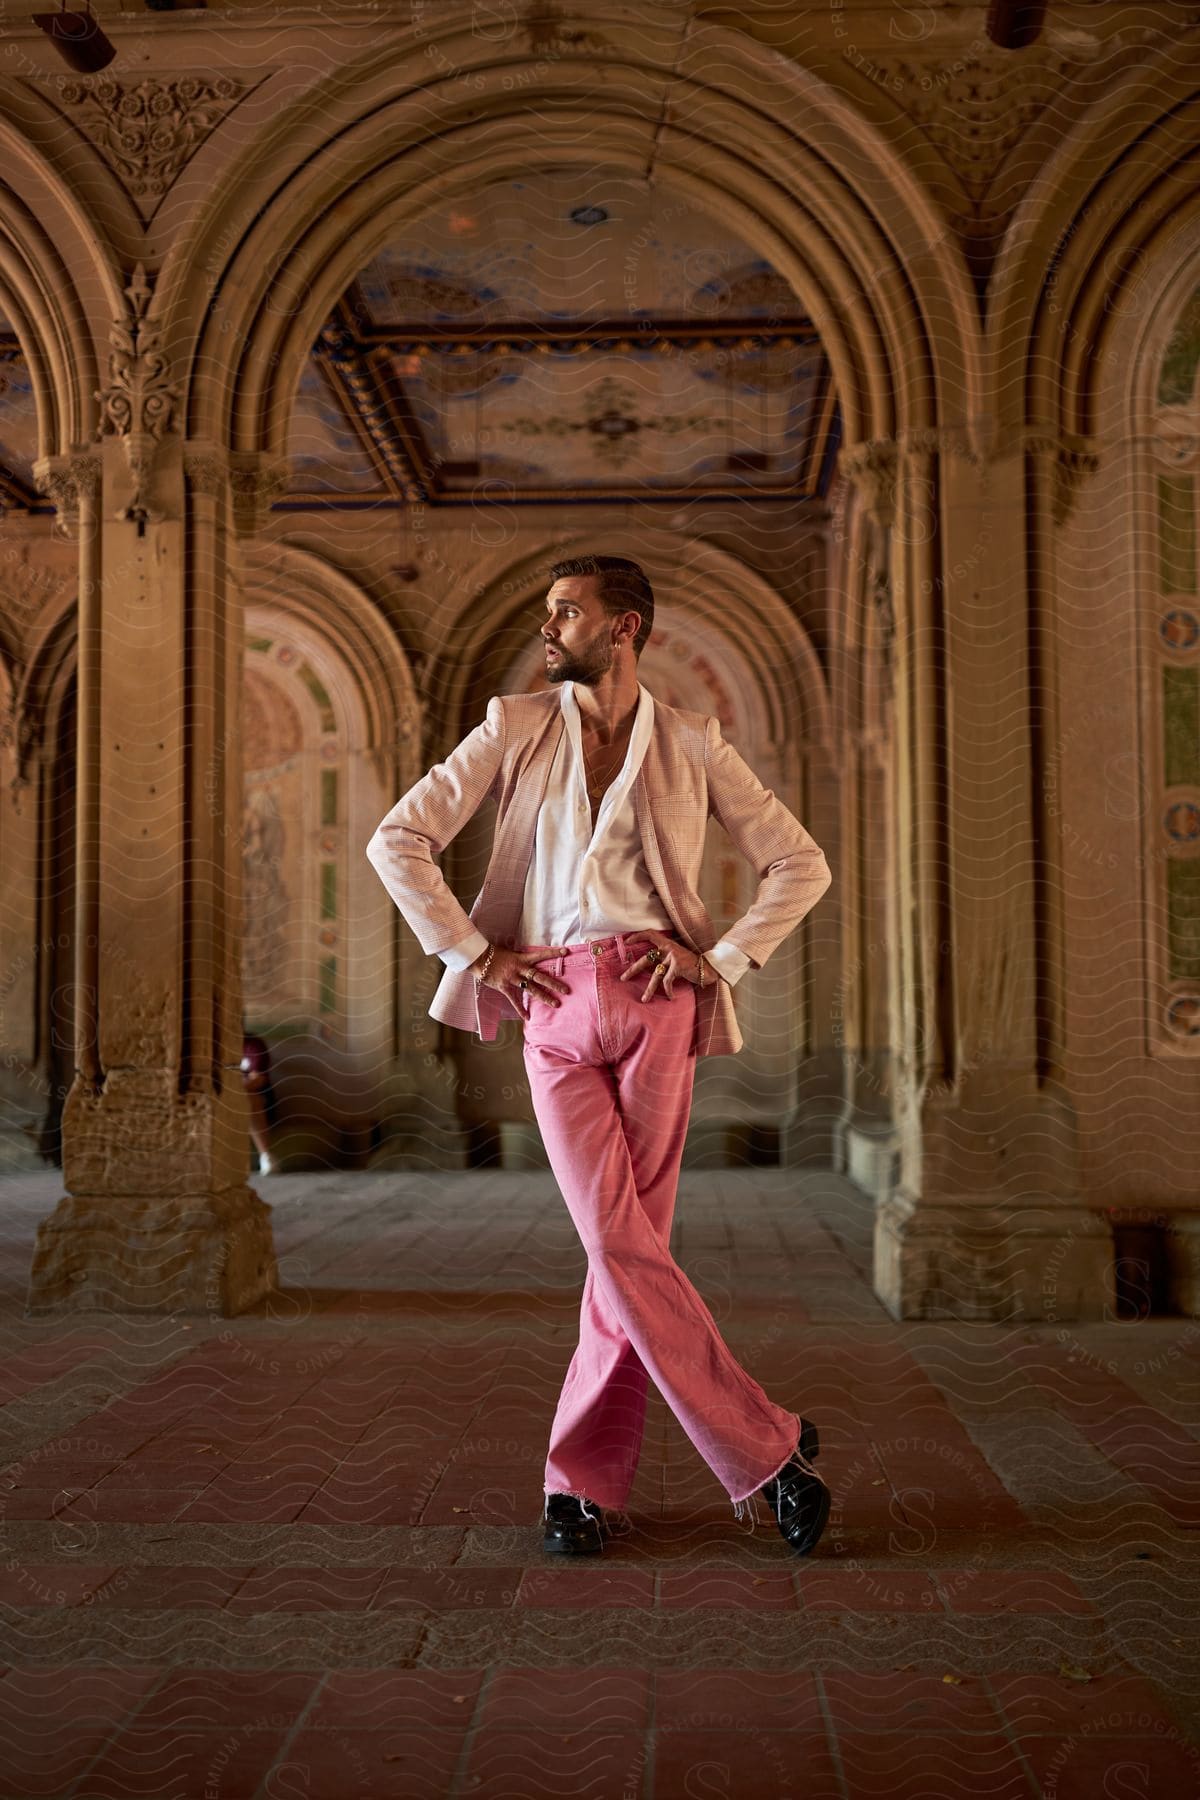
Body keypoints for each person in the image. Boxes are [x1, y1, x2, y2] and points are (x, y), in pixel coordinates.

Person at [365, 554, 834, 1557]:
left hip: (658, 1007)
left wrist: (717, 960)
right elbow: (397, 839)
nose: (549, 629)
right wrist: (474, 951)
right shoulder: (515, 726)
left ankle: (576, 1490)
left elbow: (802, 862)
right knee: (621, 1246)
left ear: (624, 630)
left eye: (565, 613)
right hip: (553, 1005)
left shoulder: (696, 743)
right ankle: (772, 1451)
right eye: (546, 613)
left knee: (625, 1256)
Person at [240, 1025, 276, 1176]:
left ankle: (266, 1156)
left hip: (261, 1100)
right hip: (227, 1097)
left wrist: (234, 1088)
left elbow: (258, 1080)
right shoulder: (214, 1046)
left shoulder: (253, 1045)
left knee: (249, 1099)